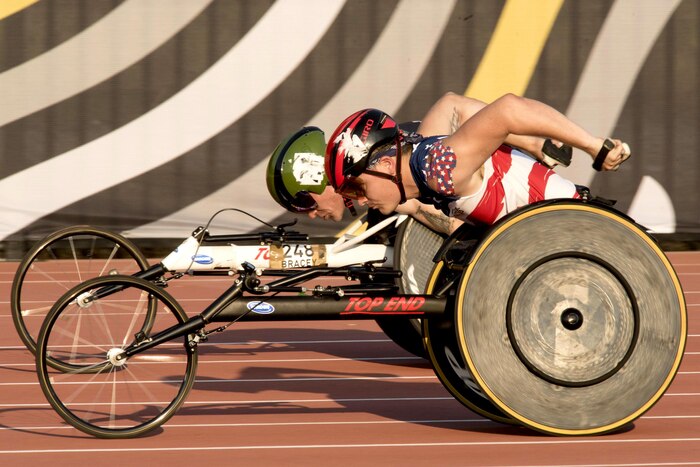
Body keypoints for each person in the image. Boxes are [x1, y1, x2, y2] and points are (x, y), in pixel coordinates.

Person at [268, 93, 572, 233]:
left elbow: (475, 108)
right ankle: (535, 143)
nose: (310, 212)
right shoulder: (390, 184)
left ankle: (536, 142)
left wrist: (534, 142)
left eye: (304, 200)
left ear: (316, 177)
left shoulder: (410, 172)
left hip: (543, 211)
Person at [324, 92, 630, 224]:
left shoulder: (439, 170)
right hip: (547, 231)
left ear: (388, 165)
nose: (361, 200)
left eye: (357, 188)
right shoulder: (420, 154)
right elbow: (451, 105)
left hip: (574, 225)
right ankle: (535, 144)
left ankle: (537, 143)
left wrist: (594, 146)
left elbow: (509, 108)